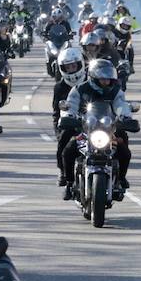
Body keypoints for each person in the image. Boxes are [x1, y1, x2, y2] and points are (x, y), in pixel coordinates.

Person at [60, 58, 137, 201]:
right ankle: (69, 182)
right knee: (68, 150)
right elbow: (71, 104)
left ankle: (121, 179)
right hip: (85, 130)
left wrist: (126, 117)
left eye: (109, 79)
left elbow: (121, 105)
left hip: (109, 131)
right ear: (94, 77)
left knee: (124, 150)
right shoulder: (79, 89)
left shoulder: (116, 91)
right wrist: (69, 115)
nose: (106, 82)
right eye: (103, 79)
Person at [51, 43, 87, 187]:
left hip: (91, 121)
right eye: (68, 67)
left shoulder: (90, 81)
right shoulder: (59, 87)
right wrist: (58, 130)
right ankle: (64, 173)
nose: (71, 69)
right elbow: (55, 112)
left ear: (80, 65)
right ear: (62, 69)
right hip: (71, 122)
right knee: (63, 143)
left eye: (74, 66)